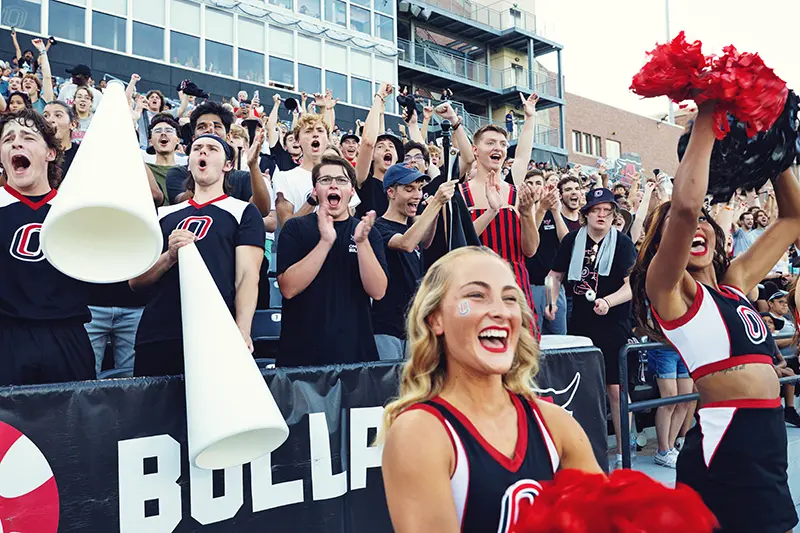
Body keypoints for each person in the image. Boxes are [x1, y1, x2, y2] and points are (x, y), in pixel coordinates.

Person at [630, 101, 799, 533]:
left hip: (767, 433)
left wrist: (773, 145)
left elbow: (794, 217)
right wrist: (708, 113)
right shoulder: (667, 291)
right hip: (724, 440)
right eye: (677, 230)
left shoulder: (735, 282)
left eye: (706, 220)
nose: (695, 226)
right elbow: (684, 208)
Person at [380, 246, 601, 533]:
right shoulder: (420, 431)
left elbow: (608, 520)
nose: (500, 311)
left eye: (510, 298)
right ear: (436, 319)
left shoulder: (554, 423)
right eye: (476, 295)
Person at [131, 134, 265, 376]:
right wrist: (169, 257)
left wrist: (242, 330)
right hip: (159, 333)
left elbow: (247, 275)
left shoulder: (243, 211)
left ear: (228, 165)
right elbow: (136, 282)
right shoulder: (163, 214)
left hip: (214, 332)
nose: (203, 152)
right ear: (189, 162)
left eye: (212, 148)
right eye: (197, 148)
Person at [0, 109, 94, 385]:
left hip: (68, 337)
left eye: (28, 137)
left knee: (74, 426)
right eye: (7, 139)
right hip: (7, 337)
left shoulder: (75, 212)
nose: (16, 143)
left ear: (50, 153)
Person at [545, 187, 637, 469]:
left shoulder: (621, 243)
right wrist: (551, 302)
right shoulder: (573, 240)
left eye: (608, 212)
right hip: (580, 322)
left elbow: (632, 286)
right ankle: (588, 455)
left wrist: (608, 302)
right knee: (586, 388)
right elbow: (554, 276)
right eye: (596, 210)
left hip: (614, 322)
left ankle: (624, 455)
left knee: (616, 389)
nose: (602, 216)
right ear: (586, 214)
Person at [276, 155, 387, 367]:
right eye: (325, 180)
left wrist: (361, 242)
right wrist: (325, 242)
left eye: (342, 180)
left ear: (351, 191)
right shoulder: (295, 228)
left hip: (356, 356)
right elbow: (288, 288)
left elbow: (378, 291)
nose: (334, 184)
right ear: (315, 191)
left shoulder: (367, 233)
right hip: (301, 357)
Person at [459, 95, 540, 322]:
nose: (498, 148)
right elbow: (460, 245)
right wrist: (491, 211)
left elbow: (531, 250)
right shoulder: (460, 194)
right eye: (490, 143)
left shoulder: (516, 193)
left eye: (503, 144)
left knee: (522, 354)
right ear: (475, 150)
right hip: (476, 285)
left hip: (516, 286)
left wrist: (526, 214)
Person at [372, 163, 455, 360]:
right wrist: (434, 204)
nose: (417, 195)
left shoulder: (411, 227)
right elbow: (406, 244)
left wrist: (436, 208)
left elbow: (424, 241)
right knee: (391, 387)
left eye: (419, 189)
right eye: (409, 189)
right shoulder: (378, 228)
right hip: (387, 328)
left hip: (413, 326)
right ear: (391, 192)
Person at [165, 101, 270, 217]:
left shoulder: (243, 178)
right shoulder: (177, 173)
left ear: (228, 136)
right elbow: (180, 204)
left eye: (217, 126)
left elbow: (262, 210)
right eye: (202, 127)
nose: (210, 130)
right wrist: (200, 171)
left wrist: (253, 165)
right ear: (194, 137)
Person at [274, 113, 358, 227]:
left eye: (320, 130)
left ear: (328, 139)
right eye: (308, 131)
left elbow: (348, 220)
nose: (315, 135)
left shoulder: (342, 175)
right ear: (298, 141)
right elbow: (286, 225)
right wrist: (313, 199)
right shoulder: (285, 177)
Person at [526, 169, 570, 335]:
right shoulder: (521, 212)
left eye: (538, 183)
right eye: (529, 183)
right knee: (534, 338)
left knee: (560, 339)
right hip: (531, 285)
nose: (534, 187)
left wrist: (556, 211)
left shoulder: (552, 212)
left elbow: (566, 241)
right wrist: (541, 210)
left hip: (554, 286)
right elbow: (528, 239)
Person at [355, 82, 404, 218]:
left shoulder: (403, 189)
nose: (387, 148)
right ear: (372, 156)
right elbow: (368, 142)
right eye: (381, 147)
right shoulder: (365, 182)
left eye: (391, 146)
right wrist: (379, 96)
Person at [42, 100, 80, 178]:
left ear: (73, 124)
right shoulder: (37, 153)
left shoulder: (81, 153)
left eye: (58, 115)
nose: (50, 120)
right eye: (46, 116)